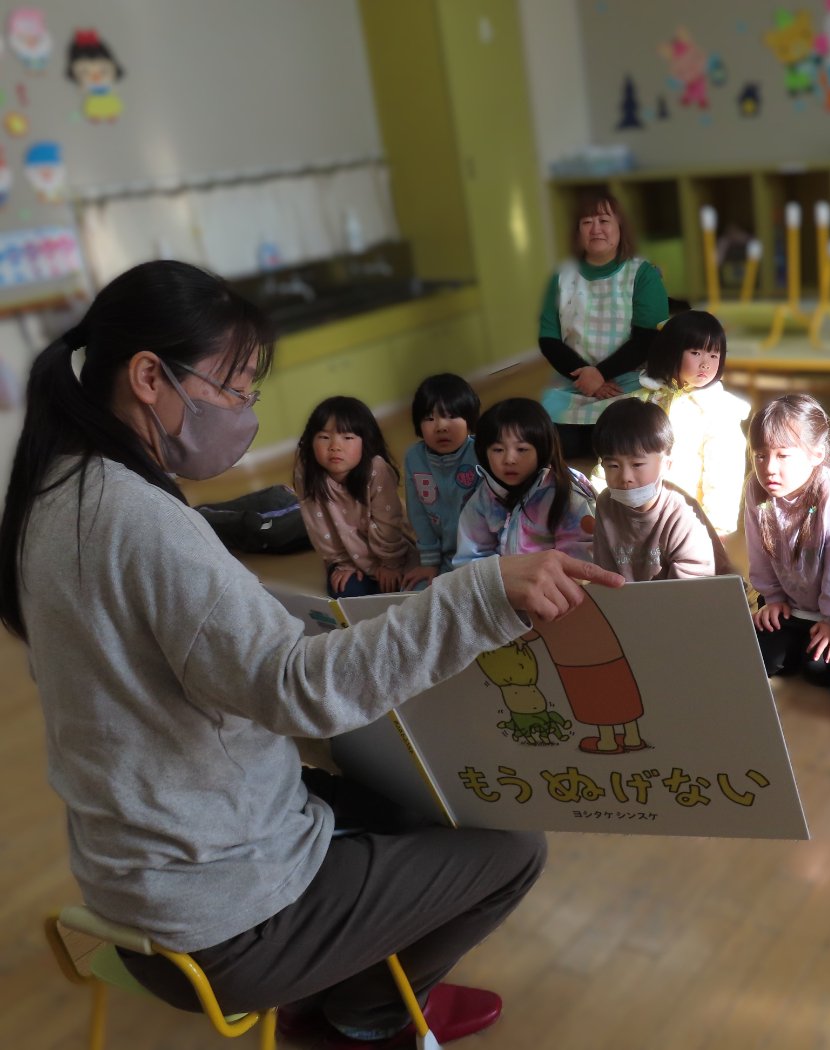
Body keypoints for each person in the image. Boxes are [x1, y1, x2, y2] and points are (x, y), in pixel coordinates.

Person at [0, 260, 623, 1047]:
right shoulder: (143, 523)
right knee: (511, 846)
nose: (245, 412)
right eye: (234, 389)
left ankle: (340, 982)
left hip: (130, 888)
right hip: (227, 922)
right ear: (150, 377)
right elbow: (298, 691)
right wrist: (483, 595)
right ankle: (367, 1015)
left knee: (397, 794)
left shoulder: (54, 492)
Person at [744, 393, 830, 686]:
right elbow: (757, 550)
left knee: (819, 671)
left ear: (816, 455)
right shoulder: (756, 488)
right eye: (760, 455)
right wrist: (773, 599)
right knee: (759, 659)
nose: (769, 468)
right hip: (791, 605)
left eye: (783, 455)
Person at [538, 191, 670, 459]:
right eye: (587, 222)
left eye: (604, 220)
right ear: (577, 232)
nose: (595, 229)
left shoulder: (642, 274)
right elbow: (549, 340)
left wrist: (600, 374)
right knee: (556, 446)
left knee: (622, 445)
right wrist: (588, 379)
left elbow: (647, 339)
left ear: (620, 227)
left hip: (629, 385)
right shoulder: (561, 277)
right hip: (574, 385)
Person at [591, 397, 731, 581]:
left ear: (666, 465)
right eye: (613, 466)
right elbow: (604, 573)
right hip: (630, 598)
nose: (625, 477)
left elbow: (694, 588)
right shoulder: (605, 504)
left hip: (693, 595)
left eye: (637, 464)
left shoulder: (682, 513)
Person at [637, 309, 751, 535]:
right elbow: (619, 453)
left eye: (714, 355)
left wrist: (717, 526)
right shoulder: (646, 400)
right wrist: (600, 500)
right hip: (639, 512)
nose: (706, 364)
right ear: (671, 351)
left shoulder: (719, 410)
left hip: (690, 520)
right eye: (696, 352)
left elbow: (724, 471)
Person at [293, 395, 416, 600]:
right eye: (324, 437)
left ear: (365, 441)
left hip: (389, 550)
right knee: (348, 592)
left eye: (347, 437)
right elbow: (318, 527)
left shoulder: (376, 469)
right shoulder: (306, 472)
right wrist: (344, 563)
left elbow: (388, 523)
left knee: (410, 586)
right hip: (346, 556)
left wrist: (390, 564)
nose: (335, 446)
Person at [453, 397, 596, 565]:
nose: (509, 459)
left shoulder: (567, 494)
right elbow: (470, 557)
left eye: (521, 449)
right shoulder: (486, 495)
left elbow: (579, 561)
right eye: (498, 450)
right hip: (504, 579)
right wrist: (498, 578)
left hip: (555, 580)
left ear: (543, 449)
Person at [401, 373, 482, 590]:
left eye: (451, 416)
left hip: (482, 555)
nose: (441, 426)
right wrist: (429, 562)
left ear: (470, 419)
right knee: (412, 595)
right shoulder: (414, 458)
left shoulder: (480, 452)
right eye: (429, 418)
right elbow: (418, 513)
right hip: (443, 558)